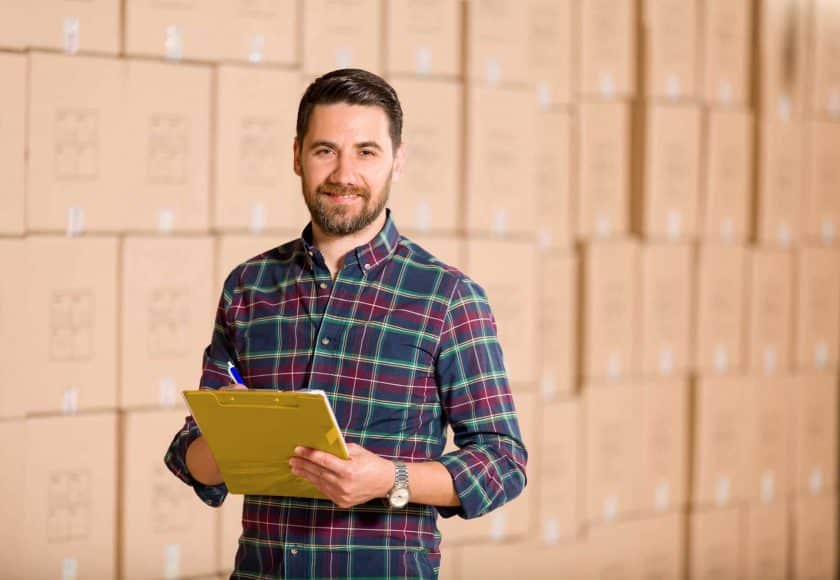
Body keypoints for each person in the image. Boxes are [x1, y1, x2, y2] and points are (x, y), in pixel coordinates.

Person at [164, 68, 527, 579]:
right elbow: (191, 454)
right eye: (325, 150)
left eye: (366, 152)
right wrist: (233, 448)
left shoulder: (448, 298)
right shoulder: (250, 286)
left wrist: (389, 479)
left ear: (397, 162)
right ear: (297, 156)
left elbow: (503, 462)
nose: (343, 173)